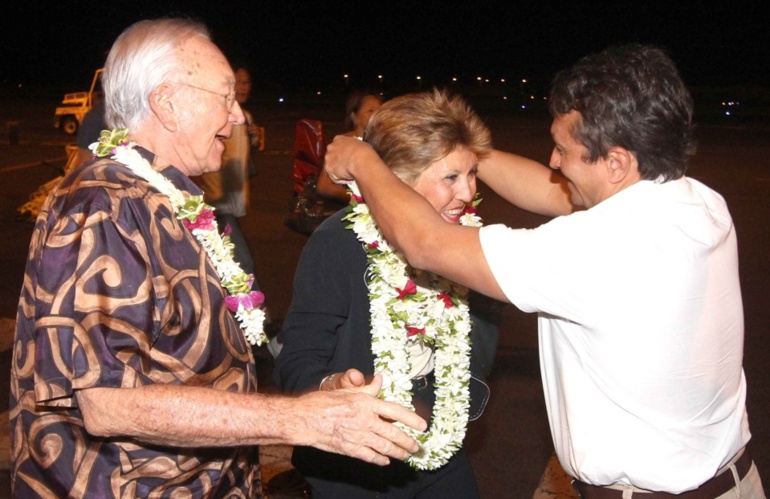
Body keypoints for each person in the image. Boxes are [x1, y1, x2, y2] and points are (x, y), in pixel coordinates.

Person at [9, 18, 426, 498]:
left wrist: (318, 400)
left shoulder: (159, 197)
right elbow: (106, 401)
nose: (239, 117)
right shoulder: (106, 206)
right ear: (166, 102)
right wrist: (304, 420)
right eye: (224, 97)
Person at [324, 44, 766, 498]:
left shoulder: (599, 250)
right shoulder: (697, 201)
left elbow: (426, 244)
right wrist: (454, 146)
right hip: (730, 482)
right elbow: (557, 194)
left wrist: (361, 159)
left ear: (616, 161)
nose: (553, 162)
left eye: (563, 150)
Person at [275, 89, 494, 498]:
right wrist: (331, 387)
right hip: (354, 466)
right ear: (394, 179)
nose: (468, 192)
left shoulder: (467, 245)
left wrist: (444, 406)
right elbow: (297, 360)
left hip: (438, 453)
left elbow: (479, 350)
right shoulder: (339, 241)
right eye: (450, 177)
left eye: (472, 173)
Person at [193, 63, 263, 293]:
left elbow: (247, 161)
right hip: (215, 204)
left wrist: (253, 140)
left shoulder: (245, 117)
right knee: (243, 263)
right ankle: (254, 317)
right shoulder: (214, 115)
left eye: (246, 82)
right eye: (237, 82)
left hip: (233, 203)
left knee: (222, 263)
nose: (243, 87)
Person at [315, 90, 382, 203]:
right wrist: (359, 199)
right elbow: (324, 186)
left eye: (380, 110)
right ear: (354, 117)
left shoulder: (384, 142)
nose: (377, 115)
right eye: (370, 111)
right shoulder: (344, 143)